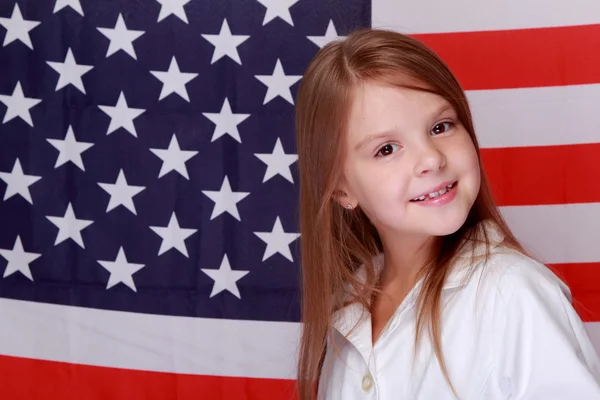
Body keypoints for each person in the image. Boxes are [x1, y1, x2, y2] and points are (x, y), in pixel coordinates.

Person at [293, 28, 600, 400]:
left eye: (441, 127)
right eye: (387, 149)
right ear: (341, 187)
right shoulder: (348, 305)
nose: (431, 159)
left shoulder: (512, 292)